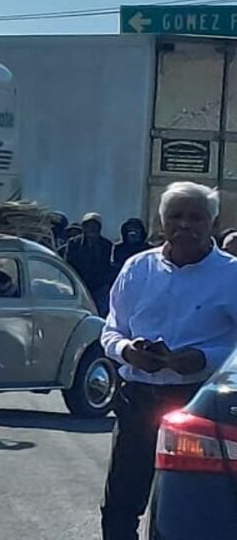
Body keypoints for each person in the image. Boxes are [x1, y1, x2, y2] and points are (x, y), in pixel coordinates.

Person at [99, 182, 237, 540]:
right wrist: (129, 352)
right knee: (120, 505)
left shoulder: (232, 274)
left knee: (188, 508)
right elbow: (111, 331)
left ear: (213, 223)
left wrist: (202, 359)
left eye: (196, 217)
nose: (185, 225)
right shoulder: (137, 268)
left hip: (201, 408)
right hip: (137, 399)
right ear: (162, 222)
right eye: (176, 216)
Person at [64, 213, 115, 315]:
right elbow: (68, 263)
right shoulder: (74, 243)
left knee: (99, 312)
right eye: (88, 225)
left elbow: (108, 265)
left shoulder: (106, 245)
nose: (91, 229)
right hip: (79, 283)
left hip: (99, 287)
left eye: (94, 226)